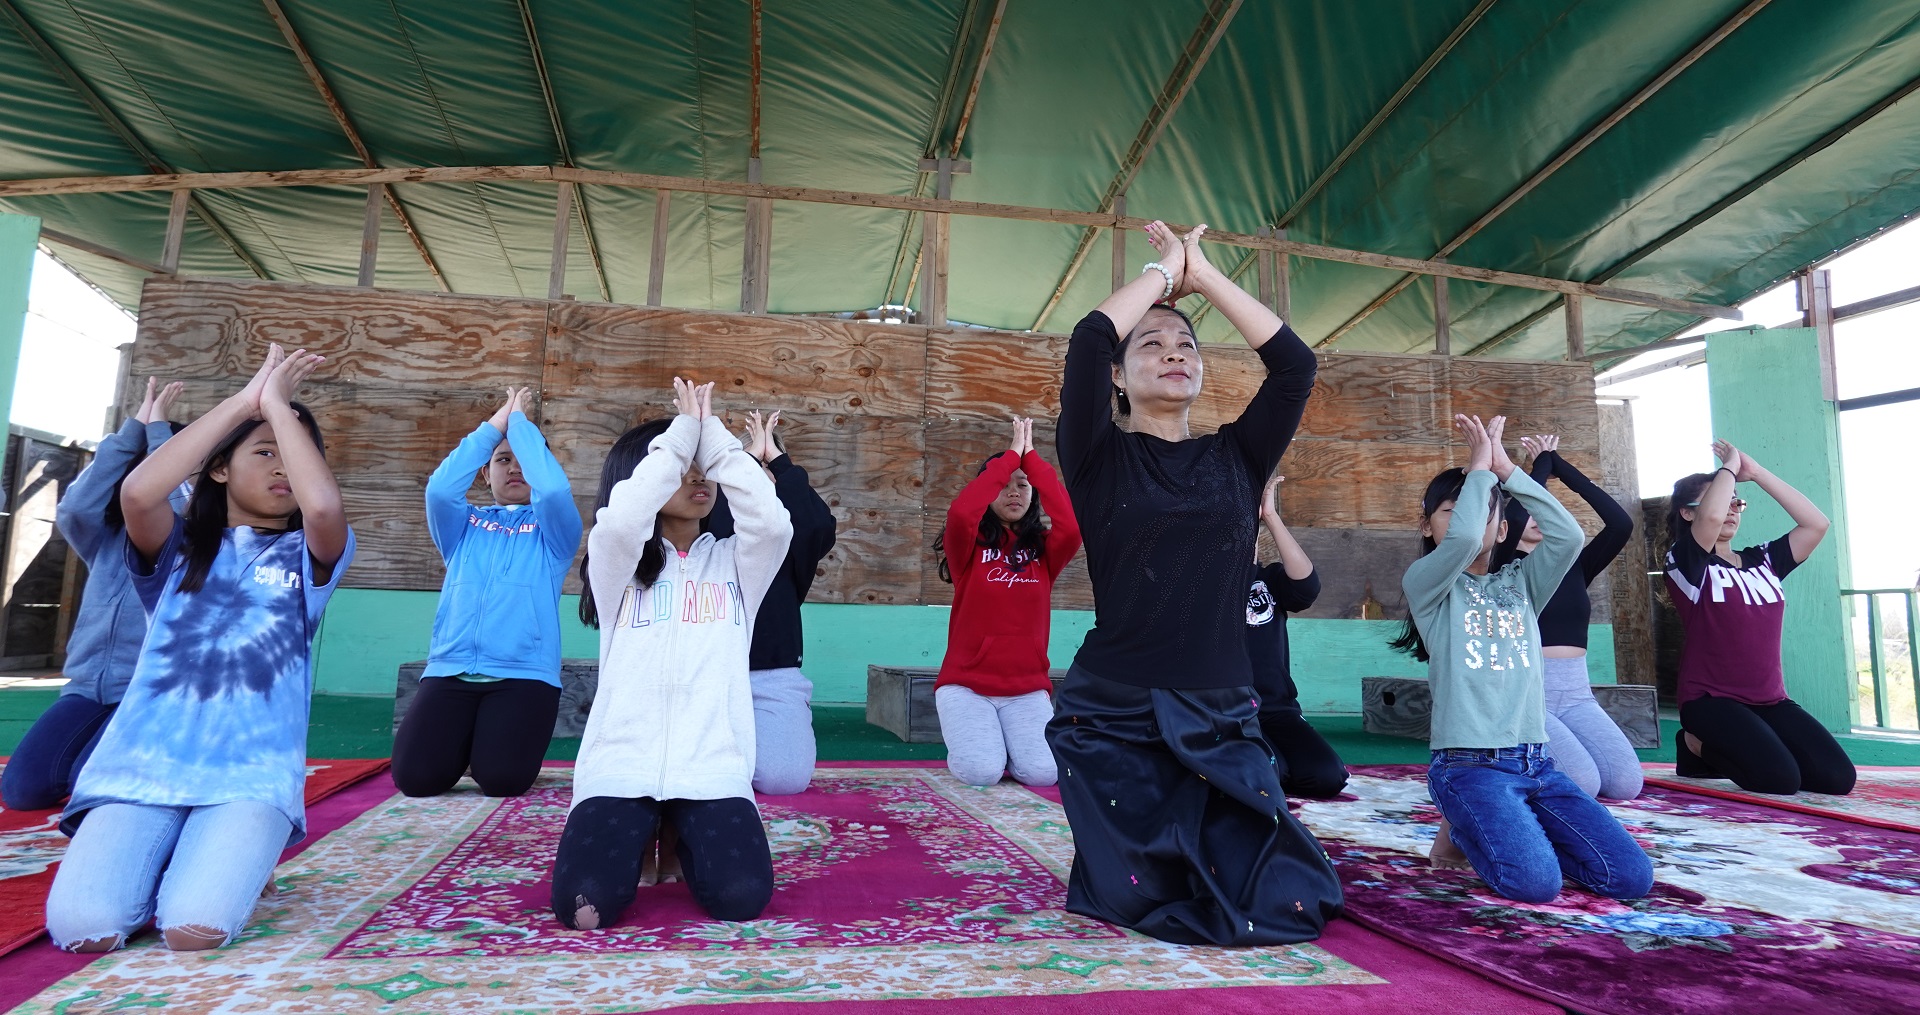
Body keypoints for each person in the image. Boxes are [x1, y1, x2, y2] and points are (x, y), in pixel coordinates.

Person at [1047, 220, 1341, 946]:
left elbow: (1294, 366)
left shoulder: (1238, 456)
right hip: (1115, 712)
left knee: (1287, 899)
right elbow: (1087, 340)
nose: (1173, 353)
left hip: (1220, 711)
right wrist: (1162, 273)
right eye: (1151, 345)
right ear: (1119, 377)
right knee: (1139, 898)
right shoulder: (1095, 456)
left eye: (1186, 346)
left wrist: (1204, 276)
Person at [45, 344, 354, 952]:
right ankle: (180, 858)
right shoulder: (178, 551)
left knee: (195, 928)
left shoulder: (308, 557)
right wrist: (247, 400)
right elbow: (137, 493)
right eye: (264, 451)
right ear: (217, 468)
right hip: (142, 770)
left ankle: (229, 856)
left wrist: (279, 409)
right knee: (84, 927)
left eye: (295, 453)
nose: (284, 467)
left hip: (249, 777)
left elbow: (322, 504)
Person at [550, 377, 792, 930]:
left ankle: (678, 834)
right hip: (620, 767)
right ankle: (644, 827)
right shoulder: (619, 567)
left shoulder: (738, 564)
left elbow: (774, 523)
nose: (698, 476)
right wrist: (682, 435)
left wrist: (716, 442)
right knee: (585, 910)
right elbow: (618, 521)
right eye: (683, 466)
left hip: (711, 769)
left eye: (702, 465)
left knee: (741, 900)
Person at [1395, 414, 1650, 904]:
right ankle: (1466, 825)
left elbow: (1569, 538)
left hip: (1537, 762)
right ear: (1428, 527)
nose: (1471, 518)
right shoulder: (1428, 584)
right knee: (1535, 885)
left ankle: (1511, 828)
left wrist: (1511, 471)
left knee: (1629, 878)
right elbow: (1466, 540)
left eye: (1487, 510)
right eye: (1452, 509)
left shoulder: (1521, 584)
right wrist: (1479, 470)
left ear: (1505, 524)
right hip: (1469, 765)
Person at [2, 378, 186, 810]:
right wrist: (134, 431)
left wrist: (162, 436)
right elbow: (74, 507)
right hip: (88, 689)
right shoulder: (101, 539)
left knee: (94, 783)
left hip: (149, 692)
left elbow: (177, 505)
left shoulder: (189, 538)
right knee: (23, 792)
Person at [391, 387, 582, 798]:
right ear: (484, 471)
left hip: (523, 676)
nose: (515, 468)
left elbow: (550, 491)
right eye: (502, 459)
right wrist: (495, 424)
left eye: (525, 460)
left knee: (503, 781)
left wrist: (520, 423)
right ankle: (463, 744)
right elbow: (440, 490)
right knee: (416, 780)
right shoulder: (462, 526)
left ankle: (485, 746)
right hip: (450, 670)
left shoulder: (555, 533)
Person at [1666, 439, 1853, 795]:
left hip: (1770, 700)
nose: (1731, 509)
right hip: (1710, 700)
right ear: (1688, 513)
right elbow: (1710, 517)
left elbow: (1816, 524)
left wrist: (1757, 473)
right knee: (1779, 780)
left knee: (1836, 779)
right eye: (1723, 502)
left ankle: (1748, 749)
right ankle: (1694, 746)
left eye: (1737, 502)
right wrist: (1728, 466)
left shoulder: (1764, 561)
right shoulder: (1685, 562)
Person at [1487, 434, 1642, 800]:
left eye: (1550, 509)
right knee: (1583, 783)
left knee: (1624, 784)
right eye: (1535, 508)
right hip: (1526, 693)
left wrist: (1559, 464)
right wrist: (1538, 467)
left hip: (1576, 694)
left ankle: (1522, 759)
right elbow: (1518, 511)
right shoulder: (1502, 564)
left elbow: (1621, 524)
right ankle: (1501, 762)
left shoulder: (1574, 564)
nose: (1544, 515)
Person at [934, 416, 1081, 787]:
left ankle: (1005, 746)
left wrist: (1030, 460)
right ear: (990, 490)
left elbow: (1072, 526)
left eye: (1023, 486)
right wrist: (1009, 457)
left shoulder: (1044, 550)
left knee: (1044, 773)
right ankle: (982, 745)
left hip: (1027, 689)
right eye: (1004, 486)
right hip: (967, 687)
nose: (1014, 492)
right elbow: (961, 513)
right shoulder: (965, 548)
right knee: (981, 772)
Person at [706, 409, 837, 795]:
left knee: (785, 779)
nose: (759, 480)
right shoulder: (708, 524)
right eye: (747, 469)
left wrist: (779, 462)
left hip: (772, 672)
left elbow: (816, 526)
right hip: (709, 670)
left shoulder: (791, 539)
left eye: (768, 473)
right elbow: (723, 519)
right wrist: (746, 464)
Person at [1246, 472, 1347, 799]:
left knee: (1327, 777)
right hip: (1227, 714)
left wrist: (1271, 517)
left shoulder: (1269, 579)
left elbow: (1307, 587)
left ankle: (1266, 771)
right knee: (1274, 773)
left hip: (1278, 710)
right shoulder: (1199, 584)